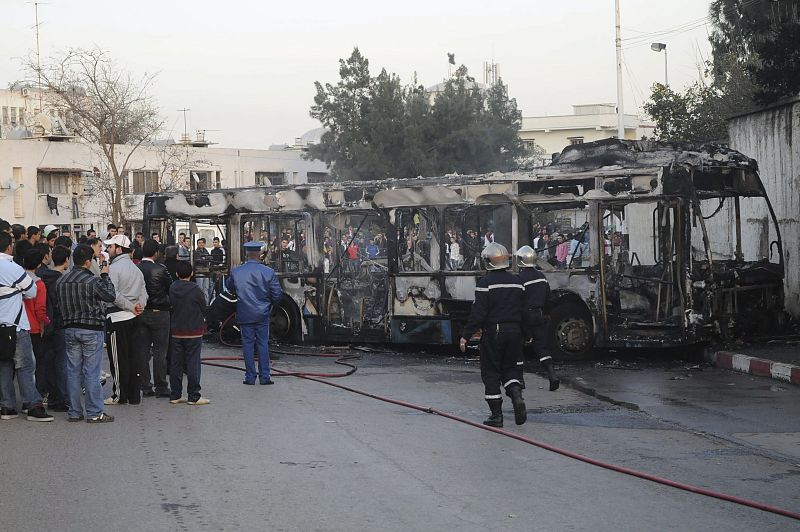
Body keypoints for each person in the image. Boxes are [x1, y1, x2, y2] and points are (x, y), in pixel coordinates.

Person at [458, 242, 527, 428]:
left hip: (494, 332)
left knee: (491, 372)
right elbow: (525, 310)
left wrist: (466, 335)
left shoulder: (485, 283)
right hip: (515, 331)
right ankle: (516, 394)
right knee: (510, 368)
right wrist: (527, 333)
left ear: (488, 261)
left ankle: (496, 415)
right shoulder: (518, 282)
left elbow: (478, 313)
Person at [56, 244, 117, 423]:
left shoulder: (61, 281)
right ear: (88, 262)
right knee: (91, 372)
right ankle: (94, 412)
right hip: (91, 329)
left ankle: (74, 411)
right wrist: (105, 275)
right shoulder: (93, 281)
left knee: (73, 371)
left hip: (70, 328)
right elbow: (110, 296)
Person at [0, 233, 54, 421]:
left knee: (4, 365)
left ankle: (7, 406)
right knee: (25, 366)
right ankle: (33, 405)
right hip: (15, 325)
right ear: (9, 247)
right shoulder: (12, 268)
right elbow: (31, 291)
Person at [228, 241, 283, 385]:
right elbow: (277, 294)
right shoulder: (268, 272)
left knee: (247, 345)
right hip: (263, 313)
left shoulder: (236, 271)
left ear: (246, 254)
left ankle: (250, 377)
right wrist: (270, 305)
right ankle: (265, 377)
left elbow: (230, 287)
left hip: (245, 313)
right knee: (263, 344)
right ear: (260, 254)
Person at [103, 234, 148, 405]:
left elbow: (111, 294)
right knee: (134, 357)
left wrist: (130, 306)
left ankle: (119, 395)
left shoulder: (113, 269)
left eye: (110, 247)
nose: (108, 249)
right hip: (135, 317)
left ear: (118, 249)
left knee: (118, 359)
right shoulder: (136, 269)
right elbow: (144, 292)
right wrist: (139, 306)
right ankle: (134, 395)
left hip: (117, 318)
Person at [515, 245, 559, 391]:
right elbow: (549, 298)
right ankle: (552, 375)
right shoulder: (541, 277)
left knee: (518, 347)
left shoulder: (520, 278)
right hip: (539, 314)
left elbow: (518, 300)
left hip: (524, 316)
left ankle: (520, 380)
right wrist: (546, 314)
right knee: (541, 347)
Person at [168, 261, 210, 406]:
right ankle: (193, 395)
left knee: (176, 363)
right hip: (194, 330)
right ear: (192, 273)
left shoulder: (172, 287)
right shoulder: (195, 289)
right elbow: (203, 306)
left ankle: (175, 394)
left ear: (176, 274)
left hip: (176, 330)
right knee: (193, 362)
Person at [37, 244, 71, 412]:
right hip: (60, 325)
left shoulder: (42, 277)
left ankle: (48, 394)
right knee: (61, 363)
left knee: (47, 361)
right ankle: (61, 398)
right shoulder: (63, 281)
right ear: (66, 260)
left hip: (45, 325)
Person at [138, 239, 172, 399]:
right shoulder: (161, 269)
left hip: (140, 312)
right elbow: (170, 287)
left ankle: (145, 385)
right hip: (160, 312)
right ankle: (161, 386)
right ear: (156, 252)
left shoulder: (136, 268)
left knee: (143, 350)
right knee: (160, 351)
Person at [23, 249, 51, 399]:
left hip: (18, 326)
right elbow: (40, 310)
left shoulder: (17, 280)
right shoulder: (39, 284)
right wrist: (45, 323)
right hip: (34, 327)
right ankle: (37, 395)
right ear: (39, 264)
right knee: (38, 363)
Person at [194, 237, 212, 303]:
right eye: (199, 243)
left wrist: (204, 258)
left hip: (206, 272)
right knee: (200, 288)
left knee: (206, 288)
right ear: (197, 244)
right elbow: (199, 260)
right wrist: (205, 259)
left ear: (204, 244)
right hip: (199, 271)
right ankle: (200, 303)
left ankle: (206, 303)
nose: (201, 244)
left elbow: (211, 258)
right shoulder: (196, 252)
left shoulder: (206, 251)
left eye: (202, 243)